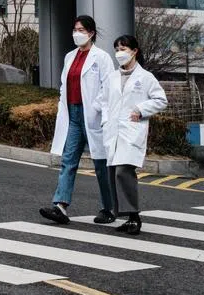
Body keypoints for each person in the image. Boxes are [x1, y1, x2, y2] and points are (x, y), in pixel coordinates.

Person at [40, 15, 117, 226]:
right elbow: (64, 86)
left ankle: (108, 208)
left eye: (81, 30)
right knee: (68, 160)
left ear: (91, 33)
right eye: (75, 30)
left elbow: (108, 87)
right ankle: (60, 206)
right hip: (73, 115)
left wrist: (96, 108)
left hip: (94, 116)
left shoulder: (102, 57)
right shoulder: (70, 57)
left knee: (101, 163)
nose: (77, 33)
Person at [101, 34, 167, 235]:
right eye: (117, 49)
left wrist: (141, 109)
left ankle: (135, 217)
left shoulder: (145, 77)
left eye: (123, 49)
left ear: (134, 51)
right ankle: (128, 217)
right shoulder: (112, 77)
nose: (119, 53)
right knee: (113, 174)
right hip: (113, 131)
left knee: (123, 172)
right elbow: (104, 101)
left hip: (132, 131)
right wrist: (105, 120)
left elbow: (161, 100)